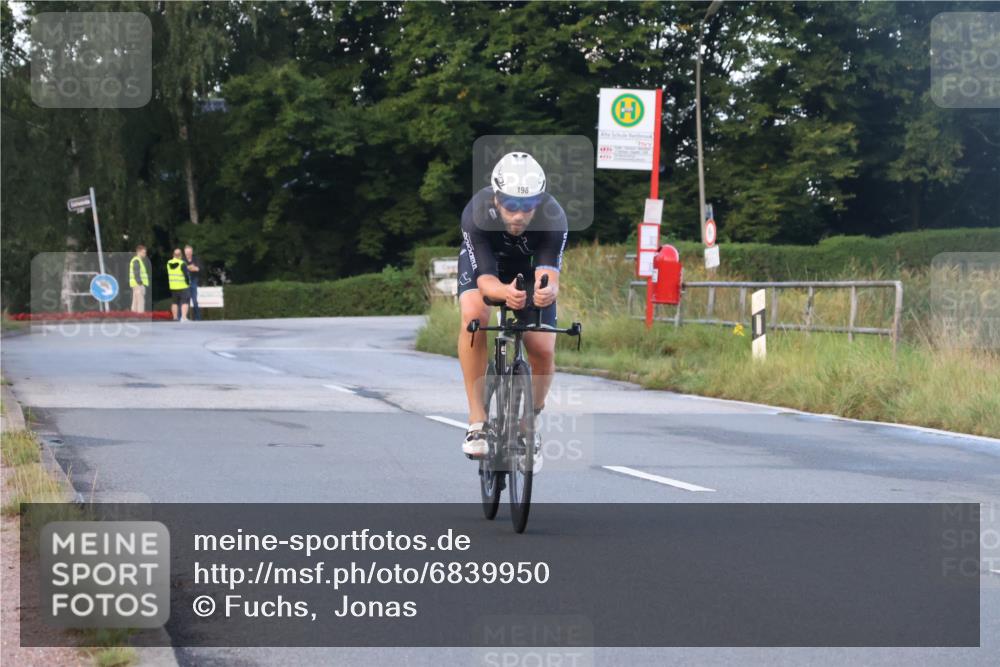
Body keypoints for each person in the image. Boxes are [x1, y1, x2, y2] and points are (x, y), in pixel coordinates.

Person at [457, 152, 568, 458]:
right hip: (485, 267)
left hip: (527, 269)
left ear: (539, 201)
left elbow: (548, 275)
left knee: (543, 347)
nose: (519, 214)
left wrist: (547, 292)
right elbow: (485, 282)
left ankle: (527, 422)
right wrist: (504, 293)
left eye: (528, 205)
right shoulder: (476, 212)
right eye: (510, 204)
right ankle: (477, 420)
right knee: (474, 316)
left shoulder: (553, 215)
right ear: (496, 198)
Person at [166, 248, 190, 322]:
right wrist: (188, 283)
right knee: (185, 302)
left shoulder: (168, 263)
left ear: (173, 255)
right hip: (183, 286)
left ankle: (175, 317)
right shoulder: (182, 263)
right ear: (181, 255)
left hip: (173, 286)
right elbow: (186, 275)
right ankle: (183, 317)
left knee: (174, 302)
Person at [129, 244, 150, 313]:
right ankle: (140, 316)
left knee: (135, 302)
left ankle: (134, 316)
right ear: (139, 252)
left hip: (135, 284)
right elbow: (137, 273)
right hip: (138, 284)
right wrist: (140, 283)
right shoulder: (137, 260)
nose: (145, 254)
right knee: (140, 302)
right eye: (144, 252)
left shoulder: (137, 260)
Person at [184, 245, 202, 321]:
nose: (188, 253)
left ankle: (198, 318)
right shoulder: (182, 259)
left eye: (189, 252)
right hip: (185, 282)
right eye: (187, 252)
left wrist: (189, 267)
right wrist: (191, 267)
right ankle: (184, 317)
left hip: (194, 280)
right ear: (184, 252)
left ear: (192, 252)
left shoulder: (196, 259)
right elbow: (183, 269)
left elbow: (198, 269)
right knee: (185, 300)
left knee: (194, 300)